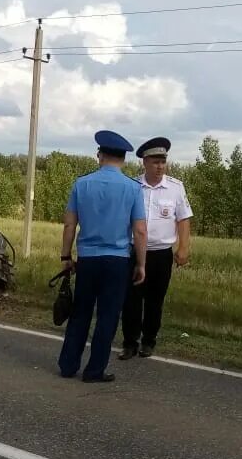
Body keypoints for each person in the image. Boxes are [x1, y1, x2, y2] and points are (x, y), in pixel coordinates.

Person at [58, 130, 147, 383]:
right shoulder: (132, 188)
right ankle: (94, 370)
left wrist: (66, 256)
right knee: (107, 316)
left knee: (81, 312)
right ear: (123, 159)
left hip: (87, 259)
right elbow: (140, 230)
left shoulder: (81, 184)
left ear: (100, 155)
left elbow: (69, 225)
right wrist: (141, 263)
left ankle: (67, 365)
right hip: (118, 261)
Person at [119, 136, 193, 360]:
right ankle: (130, 342)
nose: (160, 166)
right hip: (134, 251)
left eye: (163, 161)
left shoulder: (175, 188)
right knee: (131, 300)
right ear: (144, 163)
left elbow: (183, 219)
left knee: (155, 300)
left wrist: (183, 248)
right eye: (155, 162)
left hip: (161, 253)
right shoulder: (132, 186)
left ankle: (149, 340)